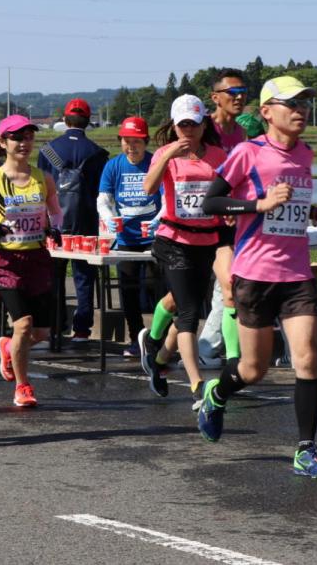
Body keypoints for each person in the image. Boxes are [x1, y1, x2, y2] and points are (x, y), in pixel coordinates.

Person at [196, 75, 317, 478]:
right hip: (254, 273)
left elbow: (295, 202)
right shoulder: (248, 153)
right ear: (266, 112)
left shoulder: (306, 154)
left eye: (304, 103)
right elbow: (210, 202)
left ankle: (306, 450)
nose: (300, 110)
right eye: (291, 104)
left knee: (306, 359)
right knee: (253, 369)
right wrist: (258, 203)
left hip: (297, 273)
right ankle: (218, 393)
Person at [0, 115, 62, 408]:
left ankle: (7, 347)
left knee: (41, 332)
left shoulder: (44, 177)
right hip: (5, 260)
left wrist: (55, 226)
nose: (24, 143)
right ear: (2, 142)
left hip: (38, 257)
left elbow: (56, 211)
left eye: (28, 137)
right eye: (17, 138)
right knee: (23, 324)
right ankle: (23, 386)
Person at [139, 95, 225, 401]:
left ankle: (157, 356)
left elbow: (229, 191)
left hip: (207, 241)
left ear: (203, 125)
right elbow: (149, 188)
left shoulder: (218, 156)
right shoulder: (165, 153)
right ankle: (197, 385)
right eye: (183, 124)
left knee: (182, 302)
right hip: (173, 240)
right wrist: (168, 155)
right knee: (189, 314)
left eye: (194, 124)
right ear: (175, 126)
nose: (188, 130)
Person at [38, 98, 107, 342]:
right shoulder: (99, 154)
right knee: (84, 275)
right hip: (87, 220)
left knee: (53, 275)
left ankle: (55, 324)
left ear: (65, 120)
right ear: (88, 121)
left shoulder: (47, 151)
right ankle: (82, 328)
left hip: (54, 219)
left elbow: (40, 189)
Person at [96, 116, 159, 356]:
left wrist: (157, 221)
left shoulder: (156, 163)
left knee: (157, 289)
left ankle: (157, 338)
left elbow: (167, 198)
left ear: (146, 141)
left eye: (137, 141)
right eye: (126, 141)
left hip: (154, 238)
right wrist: (109, 217)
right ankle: (136, 338)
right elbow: (103, 199)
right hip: (125, 240)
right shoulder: (113, 166)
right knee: (128, 291)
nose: (131, 146)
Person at [200, 70, 250, 368]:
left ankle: (208, 350)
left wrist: (235, 208)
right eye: (232, 92)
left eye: (243, 91)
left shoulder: (241, 134)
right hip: (198, 220)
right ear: (215, 97)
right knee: (186, 296)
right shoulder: (203, 128)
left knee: (227, 285)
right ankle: (159, 343)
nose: (239, 97)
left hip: (229, 222)